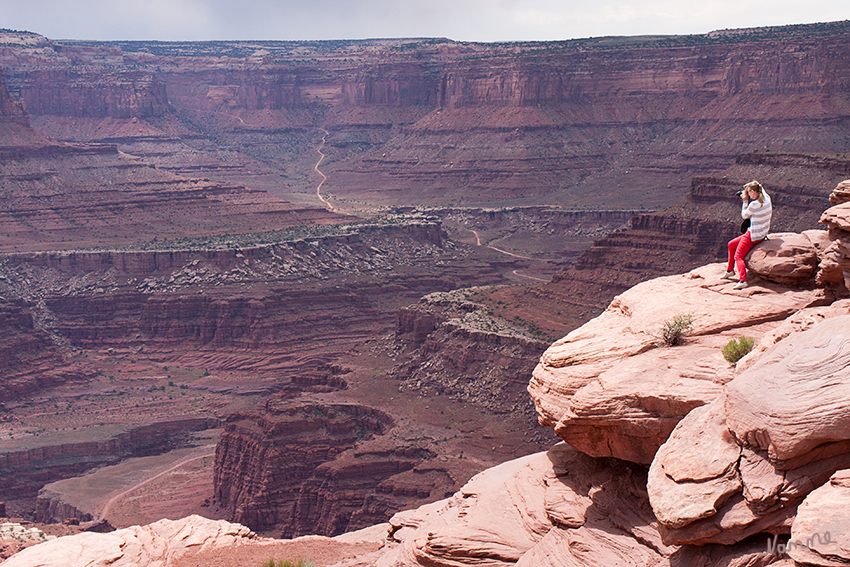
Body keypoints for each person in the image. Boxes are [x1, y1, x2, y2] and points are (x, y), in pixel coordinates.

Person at [722, 180, 772, 290]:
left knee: (738, 256)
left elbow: (744, 215)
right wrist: (749, 185)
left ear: (753, 192)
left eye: (749, 192)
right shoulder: (767, 199)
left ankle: (743, 281)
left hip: (753, 235)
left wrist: (744, 201)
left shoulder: (754, 204)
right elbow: (760, 186)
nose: (748, 194)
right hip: (763, 234)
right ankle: (730, 271)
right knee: (731, 245)